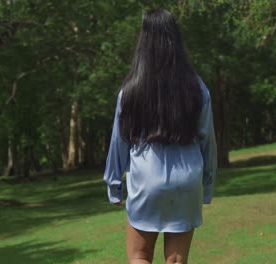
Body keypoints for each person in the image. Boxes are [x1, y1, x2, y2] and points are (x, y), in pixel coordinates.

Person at [103, 8, 217, 264]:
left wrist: (114, 185)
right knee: (176, 260)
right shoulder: (196, 87)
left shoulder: (130, 90)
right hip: (187, 178)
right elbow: (207, 140)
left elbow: (118, 141)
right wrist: (207, 186)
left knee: (139, 256)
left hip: (147, 179)